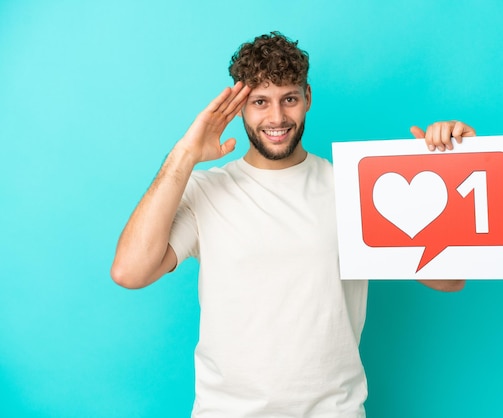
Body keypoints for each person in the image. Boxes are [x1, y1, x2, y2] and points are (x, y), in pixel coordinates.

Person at [111, 32, 475, 417]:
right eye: (260, 102)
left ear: (307, 99)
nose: (277, 118)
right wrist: (184, 155)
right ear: (239, 109)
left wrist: (451, 164)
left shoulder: (353, 188)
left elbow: (448, 280)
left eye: (289, 99)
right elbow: (130, 271)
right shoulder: (207, 190)